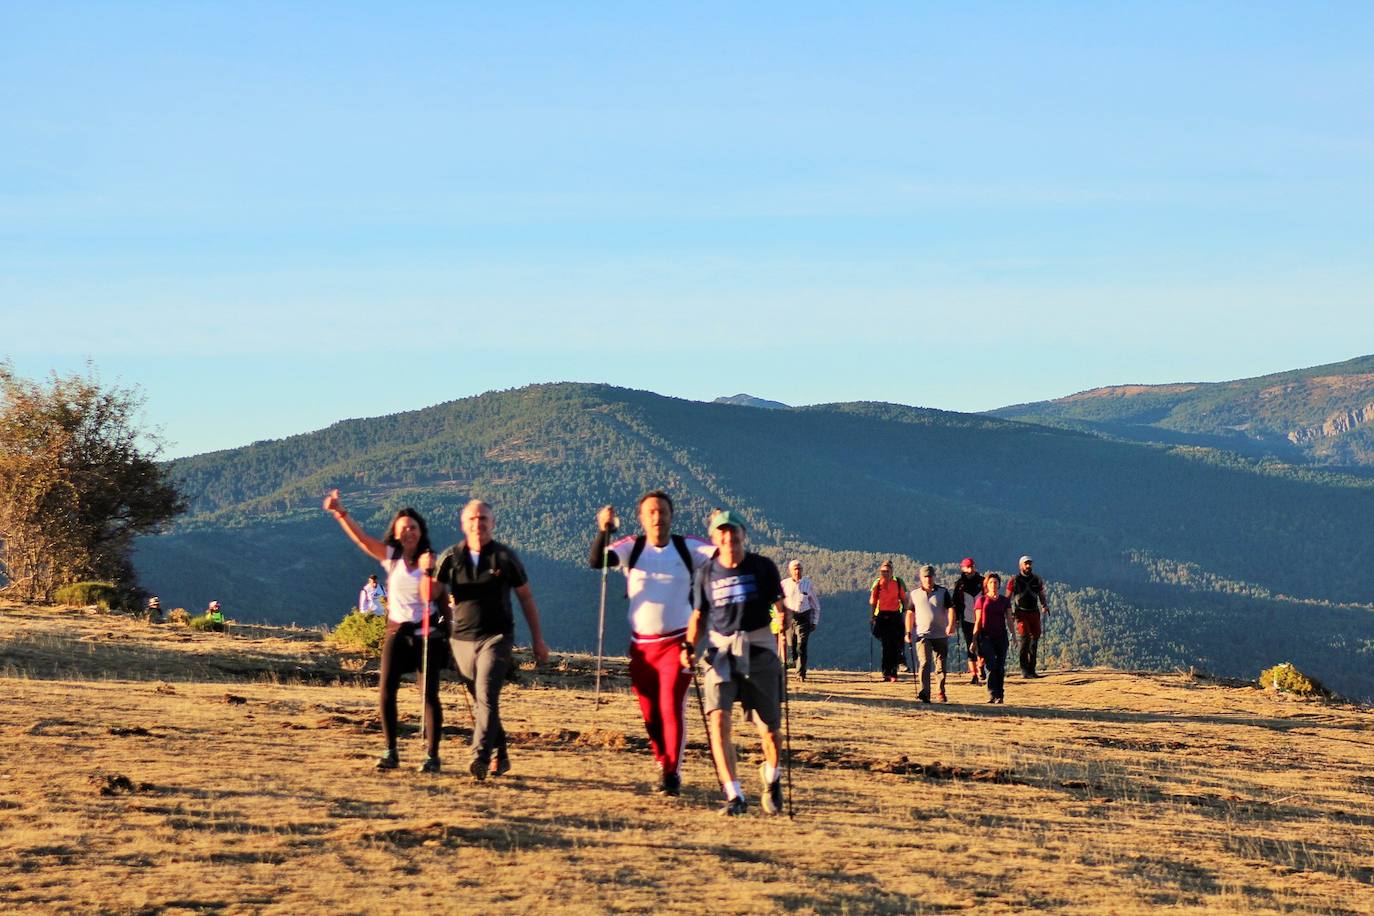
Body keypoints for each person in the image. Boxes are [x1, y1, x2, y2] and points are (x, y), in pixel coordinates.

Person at [588, 490, 713, 796]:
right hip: (642, 647)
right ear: (642, 518)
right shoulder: (633, 546)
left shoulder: (688, 547)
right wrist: (603, 530)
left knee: (672, 706)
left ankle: (672, 773)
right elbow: (598, 561)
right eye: (651, 512)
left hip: (678, 643)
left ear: (671, 516)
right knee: (650, 713)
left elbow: (725, 555)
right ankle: (663, 760)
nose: (657, 517)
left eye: (663, 512)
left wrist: (718, 528)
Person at [323, 490, 446, 773]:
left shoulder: (432, 561)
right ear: (396, 532)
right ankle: (390, 751)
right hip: (396, 635)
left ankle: (432, 756)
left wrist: (429, 572)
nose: (409, 532)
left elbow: (439, 593)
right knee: (386, 692)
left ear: (420, 531)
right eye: (403, 528)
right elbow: (362, 540)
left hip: (425, 635)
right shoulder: (392, 558)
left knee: (428, 695)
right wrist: (340, 512)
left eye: (413, 527)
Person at [427, 499, 550, 780]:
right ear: (463, 523)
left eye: (483, 518)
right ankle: (501, 754)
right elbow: (429, 595)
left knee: (487, 696)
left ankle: (479, 757)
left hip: (497, 637)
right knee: (484, 703)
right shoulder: (450, 558)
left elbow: (526, 598)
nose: (478, 523)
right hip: (460, 640)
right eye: (472, 518)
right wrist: (425, 570)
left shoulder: (505, 558)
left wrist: (538, 640)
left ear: (493, 523)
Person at [681, 510, 788, 816]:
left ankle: (772, 776)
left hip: (759, 651)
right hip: (720, 652)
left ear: (743, 534)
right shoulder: (705, 574)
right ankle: (735, 796)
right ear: (714, 538)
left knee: (770, 731)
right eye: (722, 533)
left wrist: (785, 615)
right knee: (718, 721)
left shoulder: (763, 567)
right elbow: (699, 616)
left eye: (733, 532)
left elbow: (778, 604)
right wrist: (689, 645)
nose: (729, 538)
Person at [904, 565, 955, 703]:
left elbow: (950, 609)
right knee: (925, 662)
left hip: (940, 634)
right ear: (920, 578)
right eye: (925, 576)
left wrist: (950, 624)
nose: (928, 579)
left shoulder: (943, 592)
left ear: (934, 577)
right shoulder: (914, 594)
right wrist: (908, 632)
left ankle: (940, 691)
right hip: (922, 635)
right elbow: (910, 613)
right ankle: (924, 692)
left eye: (930, 576)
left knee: (940, 664)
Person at [1007, 555, 1051, 678]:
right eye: (1026, 564)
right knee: (1025, 640)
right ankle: (1024, 670)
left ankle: (1032, 669)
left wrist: (1044, 605)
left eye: (1029, 564)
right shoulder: (1014, 580)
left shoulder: (1037, 579)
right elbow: (1007, 597)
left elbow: (1041, 594)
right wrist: (1007, 611)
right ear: (1020, 565)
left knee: (1034, 641)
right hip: (1021, 613)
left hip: (1034, 612)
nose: (1028, 566)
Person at [973, 573, 1013, 703]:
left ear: (999, 584)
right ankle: (992, 693)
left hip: (1001, 636)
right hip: (986, 637)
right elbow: (978, 621)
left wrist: (1014, 635)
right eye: (991, 582)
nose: (993, 585)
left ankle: (1000, 695)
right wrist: (974, 639)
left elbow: (1009, 619)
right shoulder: (981, 600)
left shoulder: (1004, 601)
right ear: (987, 585)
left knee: (1000, 667)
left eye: (996, 582)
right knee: (991, 666)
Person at [780, 560, 821, 682]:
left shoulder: (808, 584)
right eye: (795, 569)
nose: (797, 571)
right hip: (789, 618)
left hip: (803, 617)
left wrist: (814, 621)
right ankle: (794, 664)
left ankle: (801, 673)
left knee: (801, 645)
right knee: (792, 646)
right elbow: (778, 602)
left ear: (802, 570)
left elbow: (816, 605)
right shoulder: (784, 584)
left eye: (799, 569)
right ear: (790, 571)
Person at [869, 561, 908, 682]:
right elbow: (873, 601)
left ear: (892, 571)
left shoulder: (897, 583)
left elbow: (904, 599)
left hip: (895, 615)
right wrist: (873, 616)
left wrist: (906, 613)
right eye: (883, 571)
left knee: (896, 644)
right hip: (882, 615)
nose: (885, 573)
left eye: (887, 571)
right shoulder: (877, 583)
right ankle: (887, 672)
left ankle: (893, 672)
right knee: (886, 645)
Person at [951, 558, 985, 684]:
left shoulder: (982, 582)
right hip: (966, 619)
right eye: (967, 567)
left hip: (982, 620)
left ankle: (981, 666)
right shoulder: (959, 584)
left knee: (982, 646)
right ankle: (974, 674)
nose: (970, 570)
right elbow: (955, 603)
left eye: (972, 567)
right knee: (970, 646)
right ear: (963, 568)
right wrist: (956, 619)